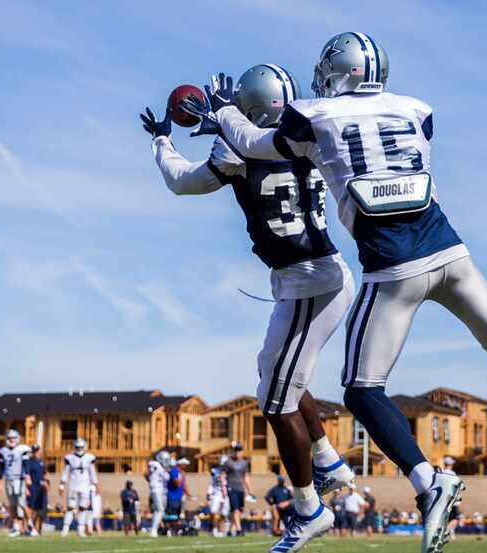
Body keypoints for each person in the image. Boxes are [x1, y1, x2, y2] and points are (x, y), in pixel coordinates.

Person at [187, 30, 487, 553]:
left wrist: (226, 112)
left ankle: (426, 480)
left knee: (361, 390)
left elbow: (260, 144)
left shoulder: (314, 114)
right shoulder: (418, 108)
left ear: (338, 72)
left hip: (394, 270)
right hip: (453, 254)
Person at [142, 61, 356, 553]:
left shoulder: (237, 147)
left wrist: (163, 140)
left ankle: (308, 510)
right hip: (307, 277)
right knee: (273, 373)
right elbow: (254, 139)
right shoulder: (309, 132)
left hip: (311, 283)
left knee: (276, 401)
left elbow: (183, 181)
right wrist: (224, 120)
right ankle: (328, 460)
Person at [58, 438, 97, 538]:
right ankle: (65, 529)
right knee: (70, 508)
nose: (79, 449)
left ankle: (80, 529)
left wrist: (95, 484)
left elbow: (92, 472)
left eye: (81, 447)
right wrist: (62, 485)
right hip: (73, 486)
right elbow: (65, 472)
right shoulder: (70, 457)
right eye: (77, 447)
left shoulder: (89, 457)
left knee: (83, 508)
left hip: (85, 486)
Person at [0, 429, 31, 537]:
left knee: (22, 504)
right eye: (9, 438)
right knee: (12, 505)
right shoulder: (3, 451)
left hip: (19, 479)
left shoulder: (22, 449)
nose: (11, 440)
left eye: (13, 438)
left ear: (17, 438)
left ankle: (30, 525)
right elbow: (1, 468)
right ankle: (16, 527)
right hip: (9, 479)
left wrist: (27, 477)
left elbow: (26, 465)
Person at [224, 444, 254, 537]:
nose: (237, 452)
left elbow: (246, 477)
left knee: (240, 510)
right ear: (234, 451)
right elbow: (222, 475)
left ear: (242, 452)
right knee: (235, 509)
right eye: (236, 450)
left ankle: (230, 530)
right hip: (231, 488)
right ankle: (239, 530)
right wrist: (224, 489)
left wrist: (250, 490)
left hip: (241, 489)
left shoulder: (244, 463)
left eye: (239, 450)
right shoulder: (228, 462)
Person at [146, 450, 171, 538]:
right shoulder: (155, 464)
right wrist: (152, 481)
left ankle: (158, 529)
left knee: (161, 511)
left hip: (162, 491)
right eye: (166, 460)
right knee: (159, 510)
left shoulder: (163, 469)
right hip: (157, 490)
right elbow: (147, 472)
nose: (167, 462)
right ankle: (153, 530)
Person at [27, 444, 49, 536]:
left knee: (41, 510)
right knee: (33, 509)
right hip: (33, 488)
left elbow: (45, 474)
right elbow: (27, 476)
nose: (36, 453)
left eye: (38, 451)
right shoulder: (29, 462)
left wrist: (47, 483)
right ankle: (31, 528)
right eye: (35, 451)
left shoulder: (41, 462)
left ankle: (39, 529)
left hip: (42, 489)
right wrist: (27, 488)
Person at [207, 458, 229, 537]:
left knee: (224, 513)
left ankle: (221, 530)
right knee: (214, 511)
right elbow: (212, 482)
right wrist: (209, 492)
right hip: (217, 493)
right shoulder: (215, 471)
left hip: (226, 494)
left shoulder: (229, 471)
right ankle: (214, 529)